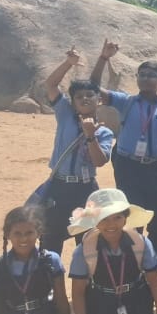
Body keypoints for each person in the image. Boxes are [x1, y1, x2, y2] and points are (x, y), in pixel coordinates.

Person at [90, 39, 157, 255]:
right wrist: (104, 58)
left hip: (156, 168)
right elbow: (93, 88)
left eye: (151, 75)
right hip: (128, 165)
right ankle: (131, 261)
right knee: (132, 215)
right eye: (141, 74)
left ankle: (156, 263)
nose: (145, 78)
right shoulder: (125, 101)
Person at [68, 189, 157, 314]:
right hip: (102, 306)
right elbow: (78, 292)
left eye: (117, 217)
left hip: (136, 303)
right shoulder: (84, 249)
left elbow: (155, 282)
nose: (111, 224)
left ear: (126, 218)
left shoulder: (140, 243)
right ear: (94, 221)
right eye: (104, 219)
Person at [39, 49, 115, 255]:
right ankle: (50, 275)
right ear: (72, 102)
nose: (84, 99)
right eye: (79, 96)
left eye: (90, 95)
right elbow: (50, 85)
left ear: (99, 99)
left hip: (86, 189)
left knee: (89, 243)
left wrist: (90, 136)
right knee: (50, 240)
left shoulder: (104, 132)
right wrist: (68, 63)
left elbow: (99, 162)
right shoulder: (65, 114)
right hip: (59, 185)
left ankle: (86, 276)